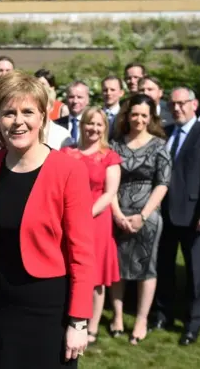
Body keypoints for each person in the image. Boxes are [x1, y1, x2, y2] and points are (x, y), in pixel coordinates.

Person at [0, 71, 94, 368]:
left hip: (47, 307)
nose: (18, 121)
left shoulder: (68, 170)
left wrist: (79, 321)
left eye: (28, 111)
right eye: (9, 113)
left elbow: (82, 253)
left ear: (43, 117)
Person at [151, 88, 200, 346]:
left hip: (194, 216)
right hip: (165, 213)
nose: (177, 108)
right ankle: (163, 314)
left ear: (195, 104)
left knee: (196, 273)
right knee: (164, 267)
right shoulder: (166, 133)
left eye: (182, 104)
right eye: (173, 104)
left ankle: (193, 324)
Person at [110, 93, 171, 345]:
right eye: (134, 114)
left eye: (144, 115)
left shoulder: (159, 145)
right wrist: (117, 214)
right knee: (117, 268)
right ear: (128, 115)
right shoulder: (115, 144)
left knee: (147, 268)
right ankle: (117, 317)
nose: (138, 119)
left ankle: (142, 319)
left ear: (151, 118)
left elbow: (163, 183)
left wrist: (143, 215)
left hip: (147, 216)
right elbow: (109, 184)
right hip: (116, 215)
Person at [60, 106, 122, 344]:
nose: (94, 128)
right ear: (82, 125)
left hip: (97, 222)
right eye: (90, 123)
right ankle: (70, 317)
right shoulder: (66, 153)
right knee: (69, 270)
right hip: (67, 220)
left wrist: (84, 215)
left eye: (99, 124)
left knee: (95, 276)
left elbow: (109, 193)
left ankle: (92, 325)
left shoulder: (109, 156)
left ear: (104, 128)